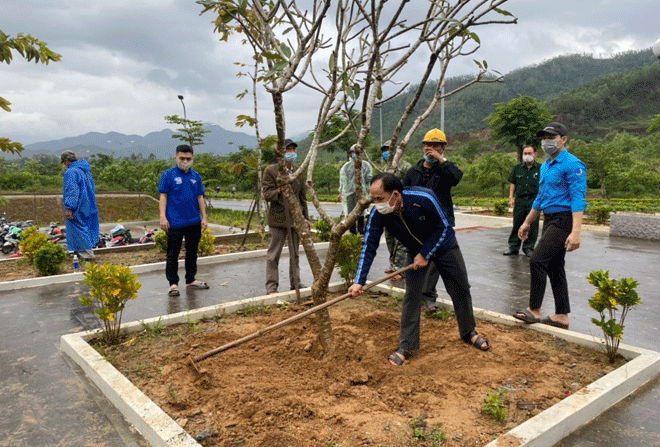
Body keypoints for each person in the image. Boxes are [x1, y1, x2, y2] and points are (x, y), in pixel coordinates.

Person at [348, 173, 490, 367]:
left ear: (396, 195)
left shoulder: (424, 198)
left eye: (380, 199)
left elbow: (444, 228)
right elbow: (369, 246)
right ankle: (406, 346)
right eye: (374, 199)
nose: (377, 204)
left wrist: (426, 253)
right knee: (412, 296)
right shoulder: (378, 214)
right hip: (415, 252)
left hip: (444, 247)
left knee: (461, 288)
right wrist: (359, 280)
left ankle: (469, 333)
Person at [513, 122, 587, 330]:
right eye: (544, 137)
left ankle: (534, 310)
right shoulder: (546, 165)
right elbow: (540, 198)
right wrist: (527, 222)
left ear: (563, 139)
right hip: (549, 218)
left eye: (551, 137)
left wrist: (576, 232)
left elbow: (578, 199)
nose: (547, 141)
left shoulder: (573, 164)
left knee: (537, 259)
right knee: (555, 267)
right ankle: (561, 316)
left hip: (564, 219)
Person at [404, 129, 463, 308]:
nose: (430, 149)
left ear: (443, 148)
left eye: (435, 146)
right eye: (428, 145)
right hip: (418, 225)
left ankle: (429, 296)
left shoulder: (445, 169)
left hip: (441, 225)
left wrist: (441, 160)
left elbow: (456, 178)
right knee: (416, 259)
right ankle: (413, 298)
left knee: (435, 262)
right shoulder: (413, 171)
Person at [158, 144, 209, 297]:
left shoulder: (196, 176)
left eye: (188, 158)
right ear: (176, 157)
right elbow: (163, 196)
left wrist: (204, 217)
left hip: (194, 221)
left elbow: (200, 197)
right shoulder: (168, 175)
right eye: (182, 158)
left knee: (192, 252)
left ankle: (190, 280)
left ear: (192, 159)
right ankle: (173, 284)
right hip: (174, 222)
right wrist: (162, 216)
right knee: (173, 253)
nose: (185, 161)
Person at [263, 139, 310, 294]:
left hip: (295, 220)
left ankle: (296, 283)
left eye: (293, 150)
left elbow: (302, 197)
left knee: (295, 254)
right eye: (287, 150)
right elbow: (267, 194)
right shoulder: (271, 171)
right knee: (273, 255)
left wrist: (305, 218)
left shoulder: (298, 172)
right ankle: (271, 287)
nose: (291, 153)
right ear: (280, 153)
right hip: (278, 220)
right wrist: (279, 191)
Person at [380, 140, 411, 281]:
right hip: (387, 211)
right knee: (390, 239)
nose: (387, 152)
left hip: (401, 210)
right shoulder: (384, 169)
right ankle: (393, 265)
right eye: (385, 150)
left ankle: (400, 269)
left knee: (401, 241)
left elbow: (410, 188)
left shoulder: (405, 167)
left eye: (389, 149)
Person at [61, 150, 100, 260]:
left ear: (66, 161)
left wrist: (69, 207)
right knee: (86, 228)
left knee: (78, 229)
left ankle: (86, 255)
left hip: (77, 207)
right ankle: (83, 252)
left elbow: (72, 191)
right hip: (88, 205)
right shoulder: (85, 171)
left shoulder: (71, 172)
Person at [503, 145, 541, 257]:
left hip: (534, 200)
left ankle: (529, 248)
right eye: (525, 153)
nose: (527, 156)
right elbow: (513, 183)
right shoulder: (517, 168)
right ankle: (513, 247)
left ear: (535, 154)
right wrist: (511, 197)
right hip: (520, 200)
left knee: (532, 225)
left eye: (529, 153)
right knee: (517, 223)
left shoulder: (541, 168)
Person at [338, 144, 373, 234]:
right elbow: (343, 180)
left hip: (361, 193)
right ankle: (353, 231)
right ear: (350, 153)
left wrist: (369, 190)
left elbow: (369, 179)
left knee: (361, 211)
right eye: (353, 152)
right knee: (351, 213)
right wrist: (341, 192)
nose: (355, 154)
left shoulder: (365, 165)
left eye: (357, 152)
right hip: (349, 194)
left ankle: (361, 231)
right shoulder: (346, 167)